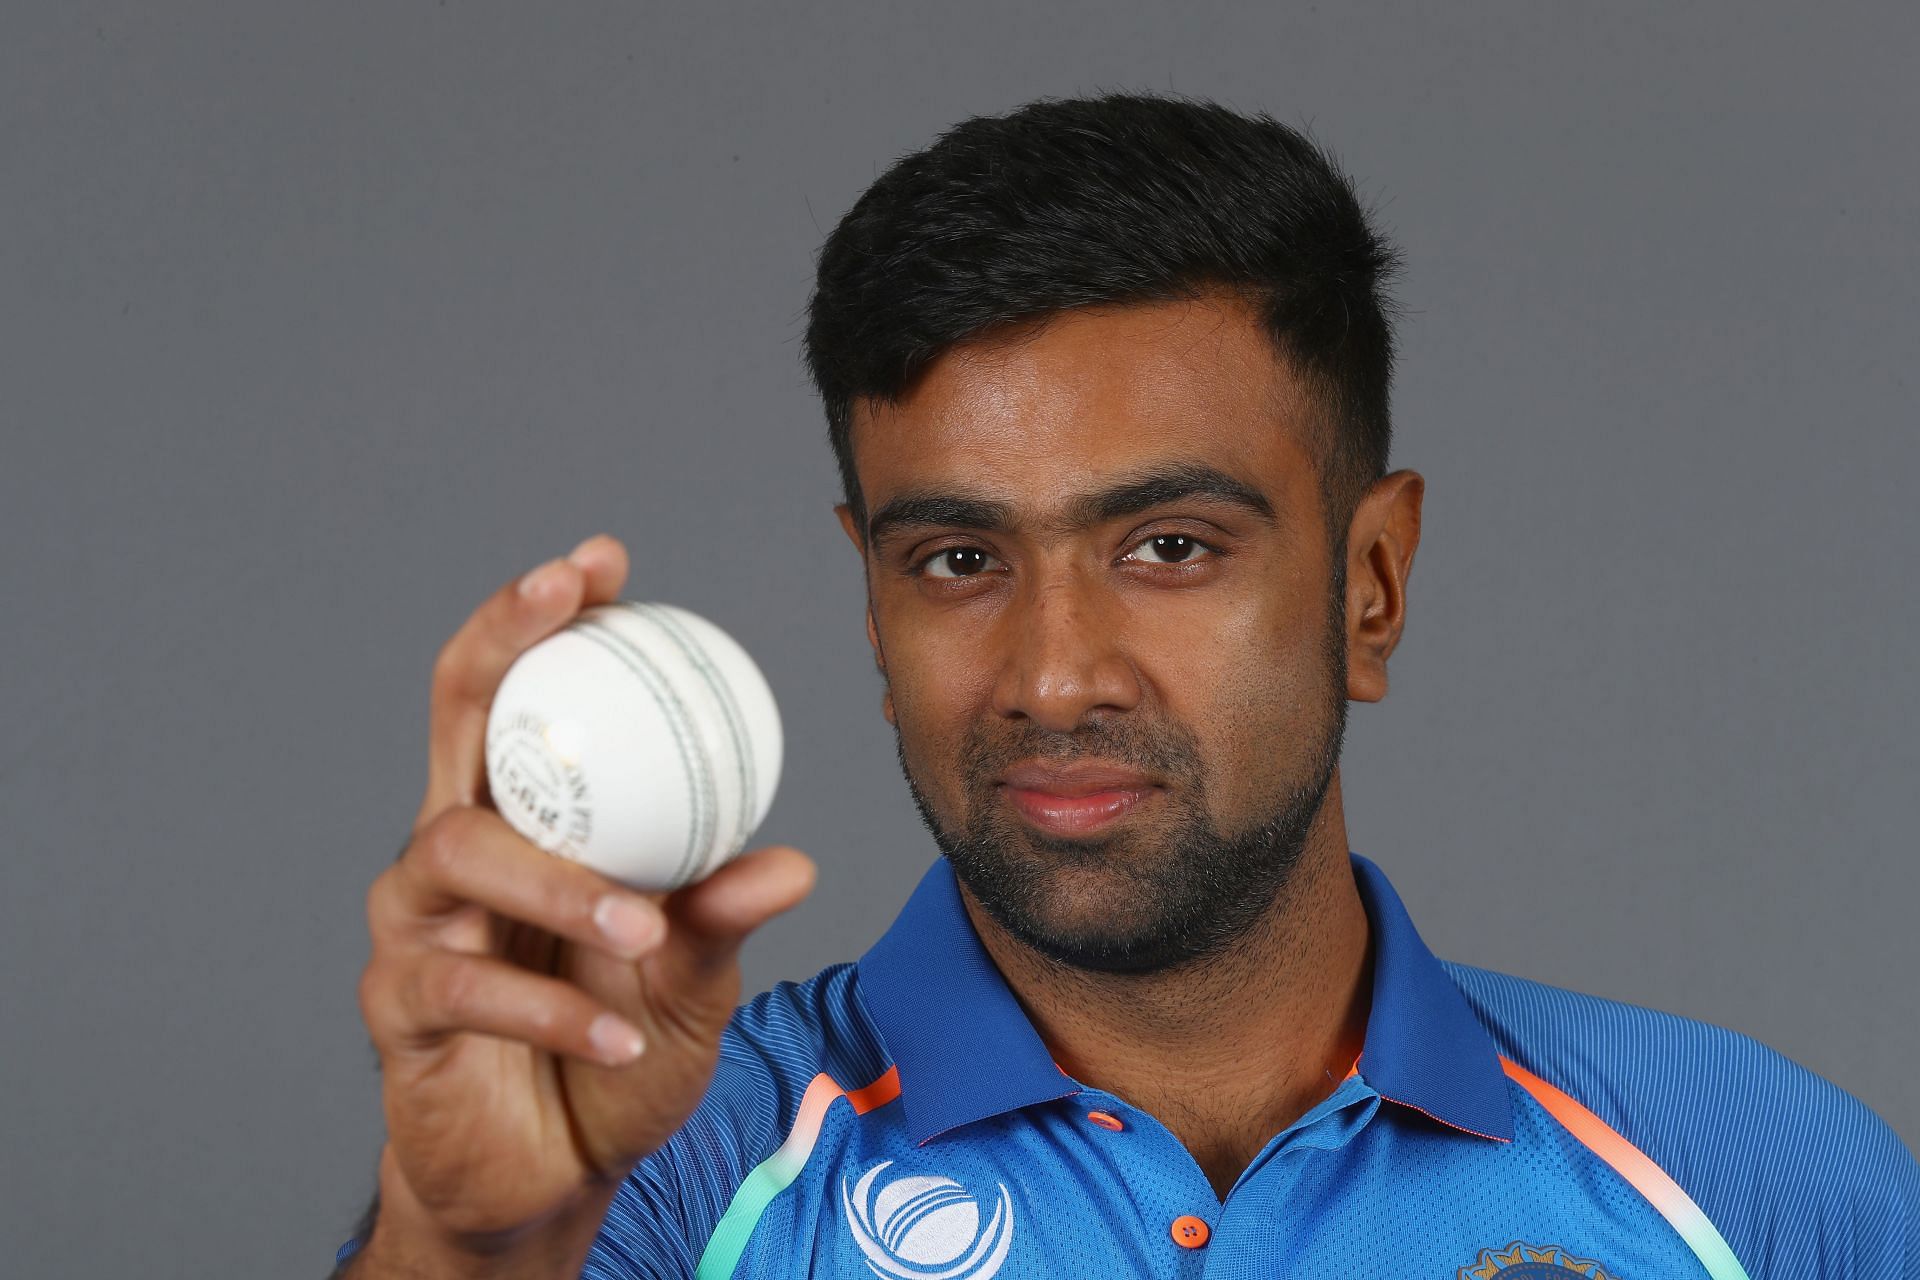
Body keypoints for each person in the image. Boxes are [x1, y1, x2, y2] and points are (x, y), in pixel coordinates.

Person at [335, 92, 1918, 1279]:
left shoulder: (1759, 1182)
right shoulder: (667, 1176)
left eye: (1167, 544)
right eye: (958, 559)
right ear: (871, 604)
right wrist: (465, 1248)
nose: (1052, 671)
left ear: (1371, 585)